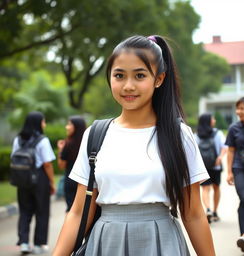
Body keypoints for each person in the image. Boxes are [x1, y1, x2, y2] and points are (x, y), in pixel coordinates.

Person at [53, 35, 215, 256]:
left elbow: (193, 213)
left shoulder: (178, 135)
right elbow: (79, 212)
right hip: (106, 244)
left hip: (162, 243)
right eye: (119, 75)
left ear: (159, 79)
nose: (128, 86)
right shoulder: (96, 135)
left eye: (140, 75)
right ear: (109, 77)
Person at [11, 111, 56, 254]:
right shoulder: (42, 140)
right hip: (39, 179)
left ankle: (23, 243)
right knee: (42, 211)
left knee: (24, 211)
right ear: (38, 123)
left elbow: (13, 157)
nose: (44, 124)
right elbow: (47, 164)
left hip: (22, 180)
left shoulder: (18, 139)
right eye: (43, 121)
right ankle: (38, 245)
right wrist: (52, 182)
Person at [226, 96, 244, 253]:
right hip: (240, 168)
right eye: (237, 108)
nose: (239, 112)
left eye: (242, 108)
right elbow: (231, 151)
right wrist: (229, 171)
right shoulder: (234, 128)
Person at [194, 113, 227, 223]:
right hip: (216, 165)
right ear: (208, 121)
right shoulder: (217, 133)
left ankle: (208, 209)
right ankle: (214, 212)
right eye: (212, 118)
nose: (214, 120)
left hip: (203, 166)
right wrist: (220, 157)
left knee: (205, 188)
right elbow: (225, 147)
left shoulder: (196, 135)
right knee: (216, 187)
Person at [57, 116, 86, 212]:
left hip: (70, 180)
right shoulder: (89, 143)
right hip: (85, 181)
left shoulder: (68, 144)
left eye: (69, 124)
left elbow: (61, 166)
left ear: (76, 127)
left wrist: (60, 150)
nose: (67, 127)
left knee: (71, 211)